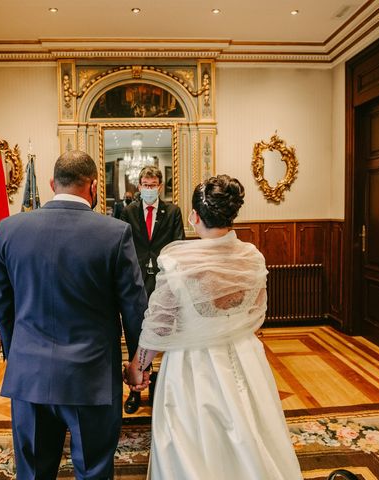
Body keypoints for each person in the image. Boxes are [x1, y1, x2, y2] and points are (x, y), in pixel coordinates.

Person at [124, 175, 303, 479]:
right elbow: (256, 314)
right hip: (245, 359)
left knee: (193, 442)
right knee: (251, 429)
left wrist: (137, 366)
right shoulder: (253, 257)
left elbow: (159, 327)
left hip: (193, 366)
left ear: (194, 217)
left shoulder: (180, 263)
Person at [0, 150, 148, 480]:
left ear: (52, 184)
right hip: (91, 377)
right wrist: (138, 364)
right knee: (93, 471)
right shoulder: (115, 233)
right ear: (93, 186)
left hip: (29, 373)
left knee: (33, 472)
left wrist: (15, 354)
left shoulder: (9, 229)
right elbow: (134, 308)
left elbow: (1, 303)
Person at [119, 165, 184, 414]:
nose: (149, 188)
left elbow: (178, 244)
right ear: (139, 186)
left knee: (166, 336)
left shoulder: (173, 211)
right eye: (145, 184)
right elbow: (124, 246)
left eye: (153, 184)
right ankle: (136, 392)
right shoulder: (128, 211)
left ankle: (159, 390)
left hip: (165, 280)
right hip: (136, 281)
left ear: (160, 186)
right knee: (138, 337)